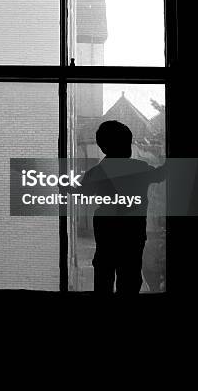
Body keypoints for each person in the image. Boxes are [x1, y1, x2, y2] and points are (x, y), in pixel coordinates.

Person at [80, 120, 166, 295]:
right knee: (130, 276)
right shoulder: (140, 169)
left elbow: (83, 192)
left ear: (103, 148)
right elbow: (161, 174)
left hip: (106, 232)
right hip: (133, 233)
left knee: (104, 274)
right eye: (127, 143)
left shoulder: (97, 172)